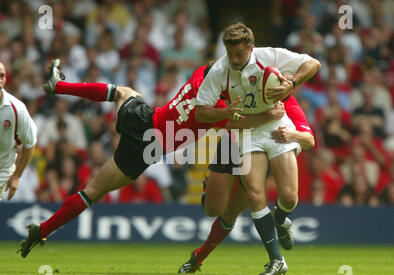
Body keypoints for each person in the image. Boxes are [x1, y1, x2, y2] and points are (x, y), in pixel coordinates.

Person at [17, 59, 284, 258]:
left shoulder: (200, 76)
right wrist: (268, 116)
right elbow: (240, 123)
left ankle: (58, 85)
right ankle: (41, 231)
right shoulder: (222, 111)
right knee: (93, 192)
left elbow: (216, 71)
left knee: (125, 92)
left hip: (144, 124)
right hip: (150, 150)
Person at [191, 22, 321, 275]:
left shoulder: (269, 57)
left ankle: (281, 218)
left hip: (275, 129)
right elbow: (201, 112)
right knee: (251, 195)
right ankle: (277, 261)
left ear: (251, 48)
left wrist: (292, 83)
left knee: (289, 197)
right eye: (230, 54)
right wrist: (223, 112)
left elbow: (313, 64)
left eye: (239, 54)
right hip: (244, 133)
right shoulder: (219, 69)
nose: (234, 59)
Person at [178, 95, 315, 275]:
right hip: (231, 145)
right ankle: (209, 192)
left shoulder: (287, 103)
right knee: (213, 209)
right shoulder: (246, 92)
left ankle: (199, 257)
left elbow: (309, 140)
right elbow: (227, 122)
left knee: (231, 213)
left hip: (256, 156)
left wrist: (293, 135)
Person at [0, 62, 37, 202]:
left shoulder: (17, 109)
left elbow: (30, 143)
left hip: (1, 169)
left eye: (2, 76)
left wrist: (16, 176)